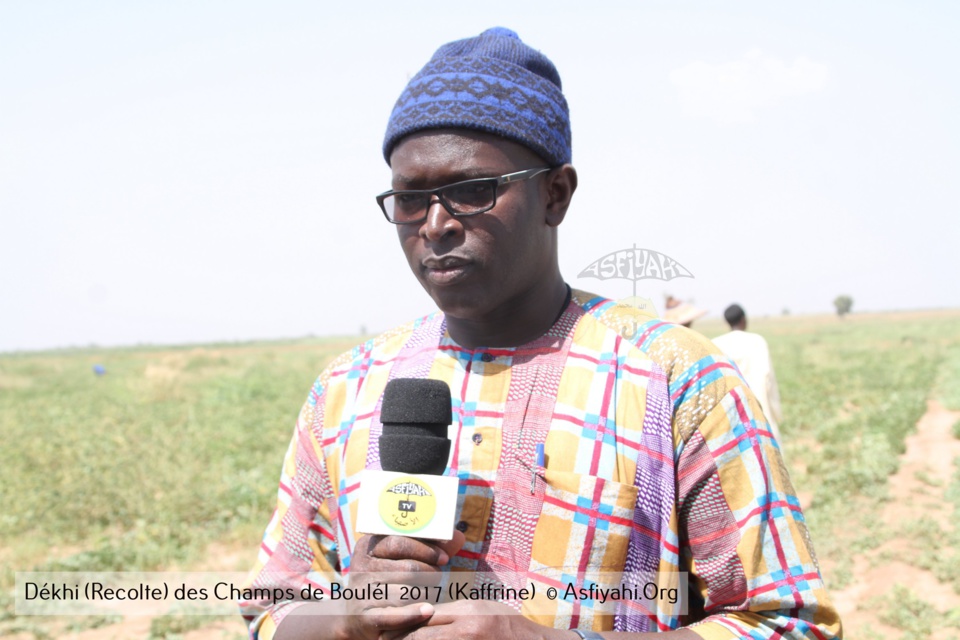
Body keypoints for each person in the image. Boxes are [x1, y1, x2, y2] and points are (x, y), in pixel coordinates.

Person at [239, 27, 840, 640]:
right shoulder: (345, 389)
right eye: (410, 199)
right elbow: (270, 612)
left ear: (555, 194)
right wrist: (341, 617)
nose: (437, 224)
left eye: (472, 190)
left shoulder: (678, 380)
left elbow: (788, 623)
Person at [712, 304, 784, 443]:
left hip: (731, 409)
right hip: (759, 404)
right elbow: (768, 378)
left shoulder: (716, 343)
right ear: (744, 319)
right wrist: (776, 412)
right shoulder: (757, 341)